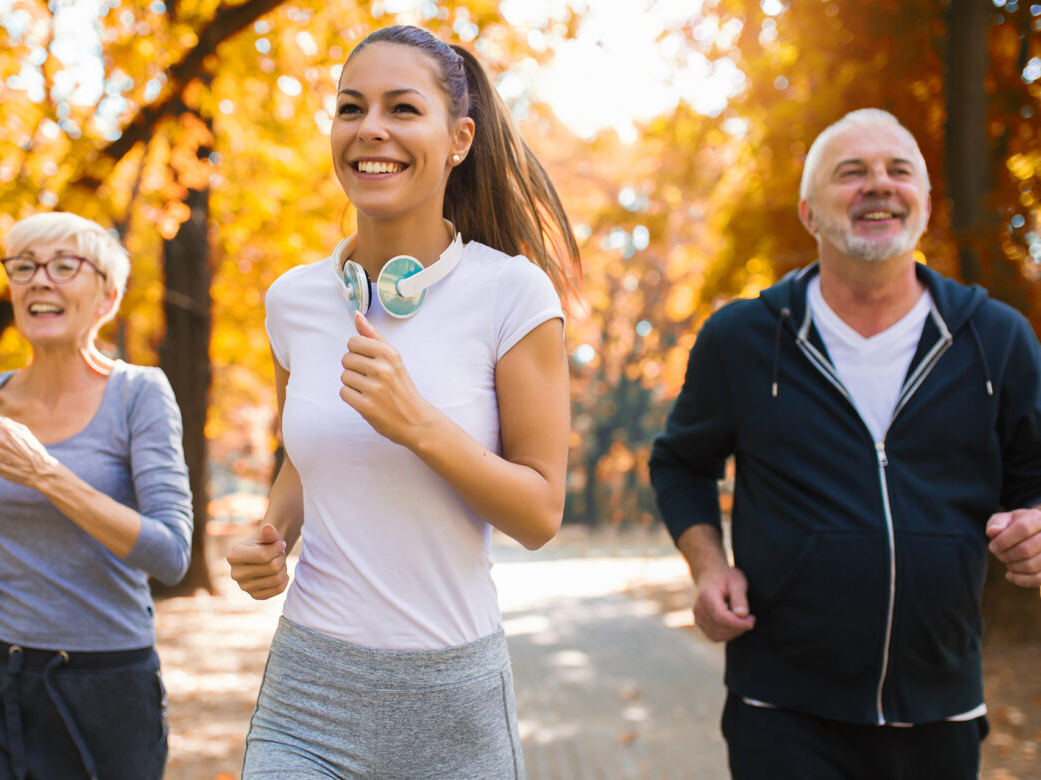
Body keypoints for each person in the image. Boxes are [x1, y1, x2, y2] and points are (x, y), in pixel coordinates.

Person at [226, 24, 578, 779]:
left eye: (401, 109)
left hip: (451, 702)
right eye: (351, 108)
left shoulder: (511, 294)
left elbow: (541, 514)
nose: (370, 130)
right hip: (308, 694)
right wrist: (272, 538)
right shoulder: (294, 301)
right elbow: (306, 457)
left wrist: (420, 425)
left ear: (459, 139)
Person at [649, 109, 1041, 780]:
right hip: (780, 707)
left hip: (940, 709)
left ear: (923, 200)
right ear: (809, 212)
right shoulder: (744, 338)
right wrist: (709, 568)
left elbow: (1034, 475)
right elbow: (680, 464)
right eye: (851, 173)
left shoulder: (995, 338)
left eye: (899, 170)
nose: (878, 186)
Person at [0, 211, 194, 780]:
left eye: (64, 266)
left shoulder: (139, 395)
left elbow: (171, 553)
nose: (39, 281)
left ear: (107, 297)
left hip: (104, 684)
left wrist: (47, 473)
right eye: (23, 267)